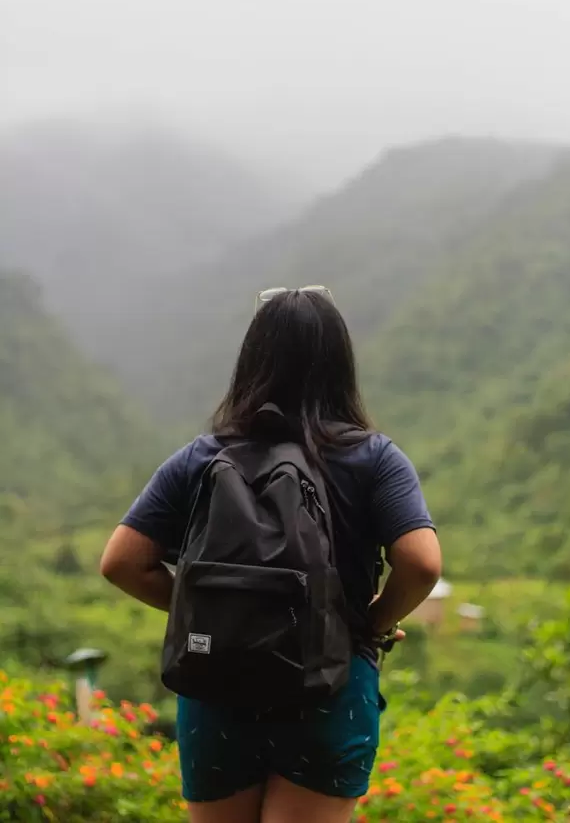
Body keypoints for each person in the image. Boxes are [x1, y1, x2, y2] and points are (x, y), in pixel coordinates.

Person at [100, 286, 442, 823]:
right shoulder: (374, 458)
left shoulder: (203, 456)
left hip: (217, 684)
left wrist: (219, 614)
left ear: (252, 359)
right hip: (330, 686)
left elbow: (120, 561)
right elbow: (422, 562)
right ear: (339, 361)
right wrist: (371, 623)